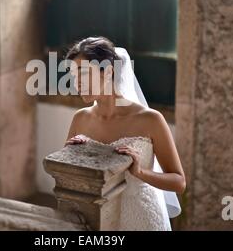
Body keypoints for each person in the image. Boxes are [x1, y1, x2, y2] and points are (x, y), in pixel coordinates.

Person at [64, 36, 185, 230]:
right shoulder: (80, 119)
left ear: (109, 71)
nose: (77, 82)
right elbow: (70, 179)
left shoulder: (150, 119)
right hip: (98, 218)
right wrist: (72, 156)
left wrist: (140, 173)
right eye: (73, 76)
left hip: (141, 217)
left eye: (84, 74)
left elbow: (179, 182)